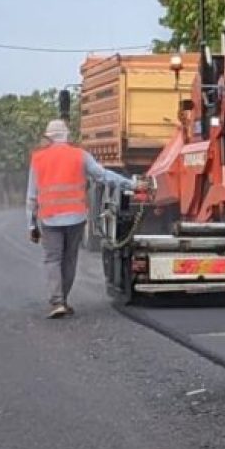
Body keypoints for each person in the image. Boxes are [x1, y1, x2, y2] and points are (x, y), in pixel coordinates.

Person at [26, 119, 137, 319]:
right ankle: (63, 300)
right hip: (75, 217)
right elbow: (103, 176)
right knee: (69, 259)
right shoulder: (80, 155)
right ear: (67, 136)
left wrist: (31, 224)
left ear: (49, 137)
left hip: (50, 218)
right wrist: (131, 185)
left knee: (53, 259)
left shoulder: (38, 158)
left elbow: (31, 195)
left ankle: (57, 301)